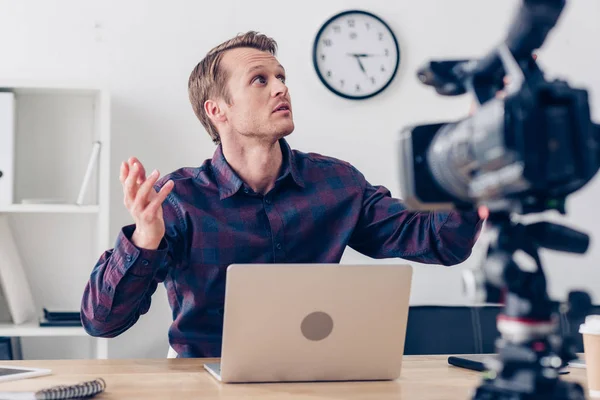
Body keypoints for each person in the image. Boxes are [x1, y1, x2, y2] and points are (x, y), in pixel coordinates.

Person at [81, 31, 484, 358]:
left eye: (281, 77)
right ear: (217, 110)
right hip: (202, 378)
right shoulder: (178, 199)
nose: (280, 88)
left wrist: (470, 160)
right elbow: (102, 322)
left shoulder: (337, 183)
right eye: (261, 79)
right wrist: (144, 240)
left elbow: (440, 241)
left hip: (315, 370)